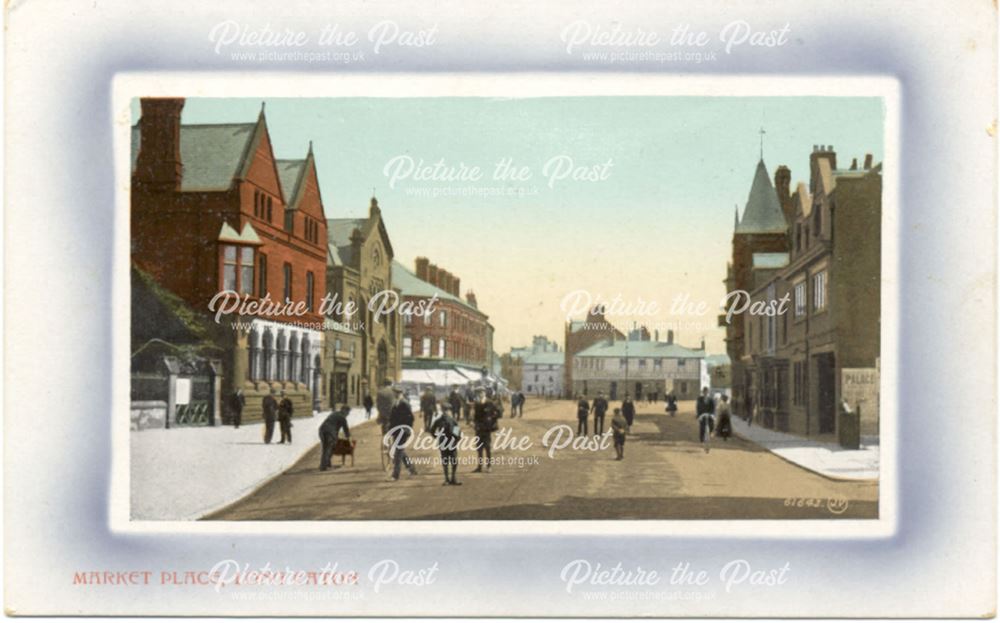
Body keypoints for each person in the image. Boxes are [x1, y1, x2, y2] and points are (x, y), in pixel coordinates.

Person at [388, 389, 418, 480]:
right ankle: (411, 468)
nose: (396, 395)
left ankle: (395, 475)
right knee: (400, 451)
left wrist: (407, 428)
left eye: (398, 393)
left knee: (398, 453)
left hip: (403, 431)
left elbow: (411, 418)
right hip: (396, 431)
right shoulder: (395, 404)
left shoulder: (405, 404)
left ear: (401, 394)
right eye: (395, 394)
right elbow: (392, 419)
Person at [430, 405, 462, 485]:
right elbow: (432, 430)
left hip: (450, 443)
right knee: (447, 461)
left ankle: (452, 478)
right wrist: (437, 436)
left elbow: (457, 431)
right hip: (445, 443)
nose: (447, 412)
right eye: (445, 410)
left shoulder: (451, 420)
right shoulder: (441, 420)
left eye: (447, 410)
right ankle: (448, 479)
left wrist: (456, 440)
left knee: (452, 461)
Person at [472, 390, 498, 473]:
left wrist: (492, 420)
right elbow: (475, 416)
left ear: (485, 393)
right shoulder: (477, 403)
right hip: (479, 429)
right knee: (479, 448)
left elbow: (498, 412)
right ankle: (479, 467)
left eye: (482, 392)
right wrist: (474, 424)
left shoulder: (490, 402)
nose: (481, 394)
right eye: (479, 393)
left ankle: (489, 466)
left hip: (487, 429)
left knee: (487, 448)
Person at [318, 405, 351, 471]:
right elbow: (346, 429)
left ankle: (326, 463)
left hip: (322, 430)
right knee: (329, 448)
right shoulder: (342, 417)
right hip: (329, 432)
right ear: (344, 411)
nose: (348, 414)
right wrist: (348, 438)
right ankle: (323, 466)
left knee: (325, 447)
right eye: (348, 412)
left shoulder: (334, 413)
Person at [696, 387, 716, 453]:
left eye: (706, 392)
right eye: (704, 392)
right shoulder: (699, 399)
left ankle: (711, 433)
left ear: (708, 392)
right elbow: (698, 407)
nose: (705, 393)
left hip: (709, 415)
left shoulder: (711, 399)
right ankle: (702, 440)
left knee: (712, 424)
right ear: (703, 392)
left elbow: (713, 408)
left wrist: (712, 414)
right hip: (702, 415)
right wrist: (699, 415)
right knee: (702, 428)